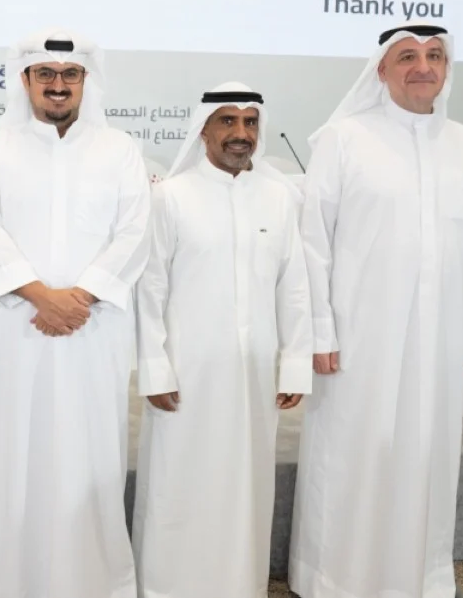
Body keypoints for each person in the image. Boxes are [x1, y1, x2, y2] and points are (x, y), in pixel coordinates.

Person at [288, 24, 463, 598]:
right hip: (357, 337)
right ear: (381, 70)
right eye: (407, 56)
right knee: (352, 457)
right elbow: (312, 243)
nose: (423, 67)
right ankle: (333, 579)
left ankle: (419, 577)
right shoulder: (344, 138)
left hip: (437, 340)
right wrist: (317, 330)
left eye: (434, 56)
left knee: (427, 455)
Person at [0, 29, 150, 598]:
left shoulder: (119, 150)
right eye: (45, 74)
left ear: (85, 82)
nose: (58, 85)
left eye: (69, 75)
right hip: (18, 327)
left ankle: (91, 582)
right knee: (11, 457)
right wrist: (43, 297)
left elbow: (134, 233)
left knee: (88, 456)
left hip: (93, 332)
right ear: (25, 82)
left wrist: (81, 297)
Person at [131, 83, 313, 598]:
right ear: (205, 129)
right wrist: (155, 368)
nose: (240, 134)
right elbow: (150, 288)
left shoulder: (278, 198)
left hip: (253, 374)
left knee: (245, 487)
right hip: (187, 373)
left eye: (250, 122)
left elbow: (294, 286)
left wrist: (296, 363)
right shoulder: (171, 196)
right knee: (180, 483)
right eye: (228, 122)